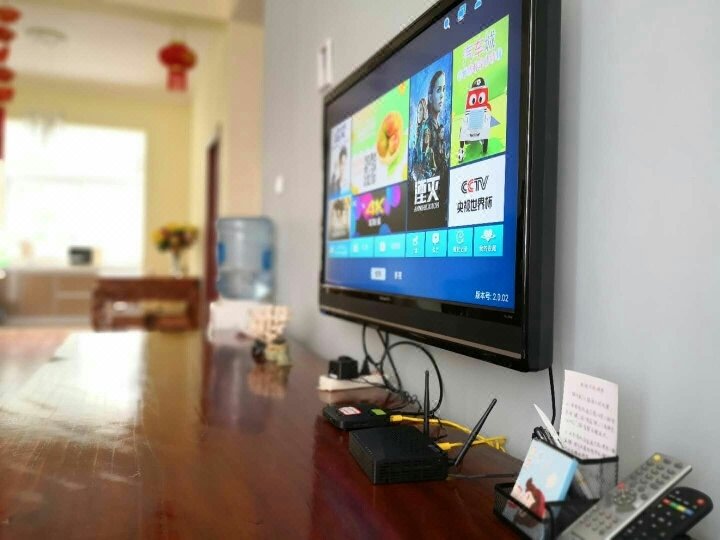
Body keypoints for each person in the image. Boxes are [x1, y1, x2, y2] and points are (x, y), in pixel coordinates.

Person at [414, 70, 449, 179]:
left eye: (443, 89)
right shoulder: (427, 127)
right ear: (430, 97)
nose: (442, 95)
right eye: (438, 90)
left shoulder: (438, 126)